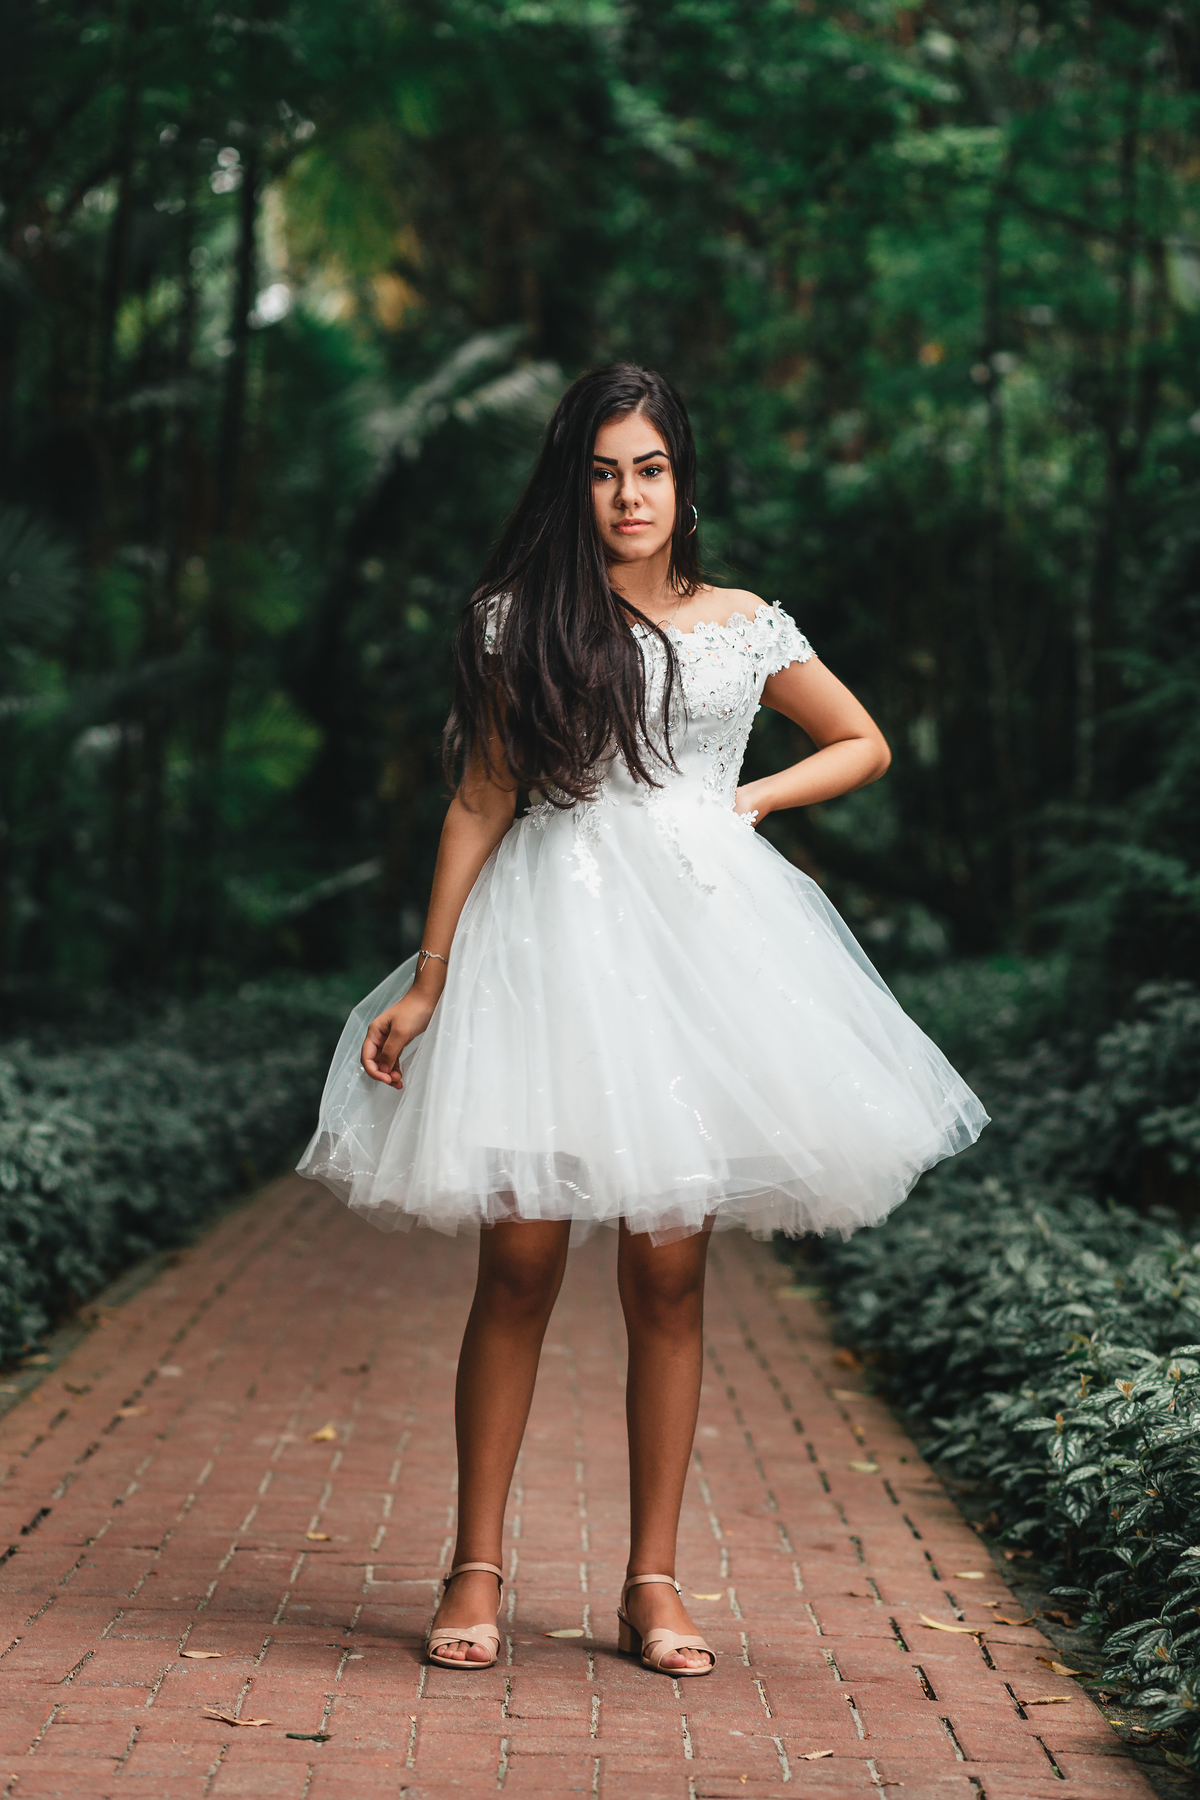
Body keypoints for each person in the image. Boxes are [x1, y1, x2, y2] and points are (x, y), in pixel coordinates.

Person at [298, 363, 987, 1677]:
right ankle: (475, 1566)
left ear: (683, 479)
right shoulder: (519, 620)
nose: (629, 494)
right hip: (545, 948)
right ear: (577, 480)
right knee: (520, 1260)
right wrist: (430, 977)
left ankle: (651, 1584)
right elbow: (478, 802)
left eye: (651, 468)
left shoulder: (741, 623)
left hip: (700, 951)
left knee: (670, 1268)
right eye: (606, 469)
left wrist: (746, 807)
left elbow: (863, 742)